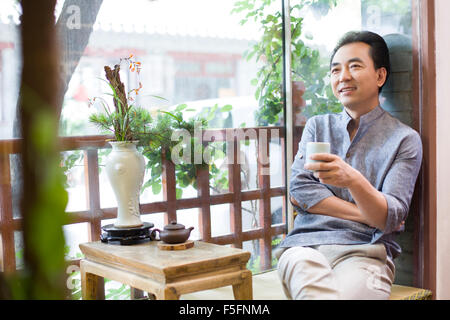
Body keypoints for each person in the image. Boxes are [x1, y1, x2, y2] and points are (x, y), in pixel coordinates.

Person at [277, 31, 423, 300]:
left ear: (380, 76)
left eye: (354, 66)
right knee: (307, 278)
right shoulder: (317, 126)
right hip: (305, 247)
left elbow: (392, 213)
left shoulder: (405, 139)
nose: (343, 77)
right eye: (335, 70)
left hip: (366, 251)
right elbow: (300, 190)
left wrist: (353, 180)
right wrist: (368, 214)